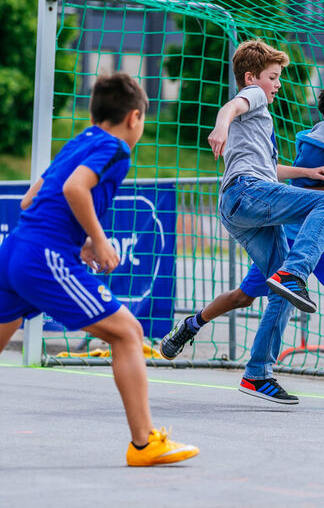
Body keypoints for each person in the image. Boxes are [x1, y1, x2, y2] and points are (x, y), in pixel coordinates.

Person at [160, 78, 324, 404]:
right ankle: (192, 323)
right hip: (297, 236)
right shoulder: (316, 146)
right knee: (244, 297)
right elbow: (296, 195)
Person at [0, 73, 199, 466]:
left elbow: (29, 200)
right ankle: (145, 444)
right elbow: (75, 189)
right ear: (134, 117)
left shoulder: (78, 141)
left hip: (14, 252)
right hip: (43, 256)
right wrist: (99, 237)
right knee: (128, 332)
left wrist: (81, 238)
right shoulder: (117, 149)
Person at [162, 39, 324, 404]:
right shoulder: (253, 97)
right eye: (273, 77)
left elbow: (269, 168)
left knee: (283, 295)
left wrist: (307, 170)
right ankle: (293, 273)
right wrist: (220, 126)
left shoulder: (260, 122)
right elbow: (232, 105)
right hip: (246, 193)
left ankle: (257, 373)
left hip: (242, 206)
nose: (277, 84)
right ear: (252, 77)